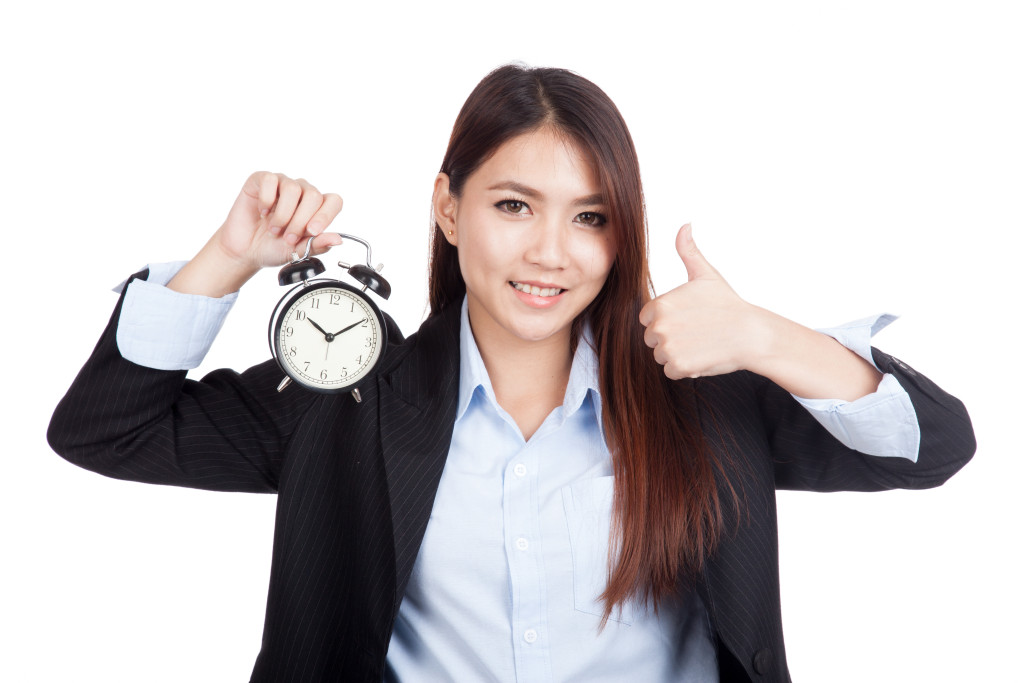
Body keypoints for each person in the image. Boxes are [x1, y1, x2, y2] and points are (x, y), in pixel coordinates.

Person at [48, 64, 975, 682]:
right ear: (448, 211)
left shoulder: (703, 394)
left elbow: (933, 446)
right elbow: (104, 426)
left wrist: (768, 337)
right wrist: (228, 255)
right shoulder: (347, 395)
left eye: (589, 216)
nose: (550, 252)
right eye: (513, 204)